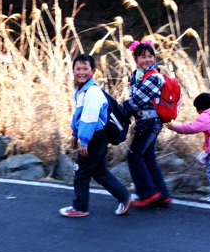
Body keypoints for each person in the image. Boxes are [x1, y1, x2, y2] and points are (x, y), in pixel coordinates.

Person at [59, 54, 132, 217]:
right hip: (96, 136)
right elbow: (79, 115)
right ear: (73, 71)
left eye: (85, 69)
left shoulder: (91, 91)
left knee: (80, 172)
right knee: (99, 171)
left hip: (94, 137)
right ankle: (124, 197)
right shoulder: (82, 90)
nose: (81, 72)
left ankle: (80, 208)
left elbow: (89, 118)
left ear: (93, 71)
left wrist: (83, 141)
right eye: (78, 69)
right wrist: (74, 133)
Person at [120, 39, 172, 207]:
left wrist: (119, 109)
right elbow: (135, 99)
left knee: (134, 156)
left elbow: (138, 100)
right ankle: (162, 194)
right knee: (148, 157)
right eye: (143, 57)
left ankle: (148, 194)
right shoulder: (137, 75)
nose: (148, 60)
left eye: (151, 56)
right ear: (136, 59)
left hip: (149, 122)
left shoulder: (155, 77)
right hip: (146, 121)